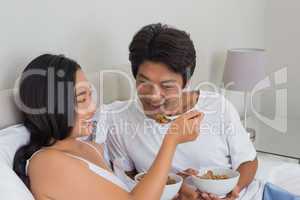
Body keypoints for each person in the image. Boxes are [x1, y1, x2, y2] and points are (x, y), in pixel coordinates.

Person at [96, 23, 261, 200]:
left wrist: (232, 191)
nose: (154, 96)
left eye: (167, 86)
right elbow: (130, 178)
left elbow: (248, 161)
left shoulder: (217, 106)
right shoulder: (118, 118)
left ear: (186, 82)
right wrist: (179, 187)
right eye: (144, 82)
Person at [13, 54, 203, 200]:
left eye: (90, 94)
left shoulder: (87, 147)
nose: (92, 107)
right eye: (81, 98)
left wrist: (171, 185)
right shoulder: (47, 164)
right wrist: (171, 140)